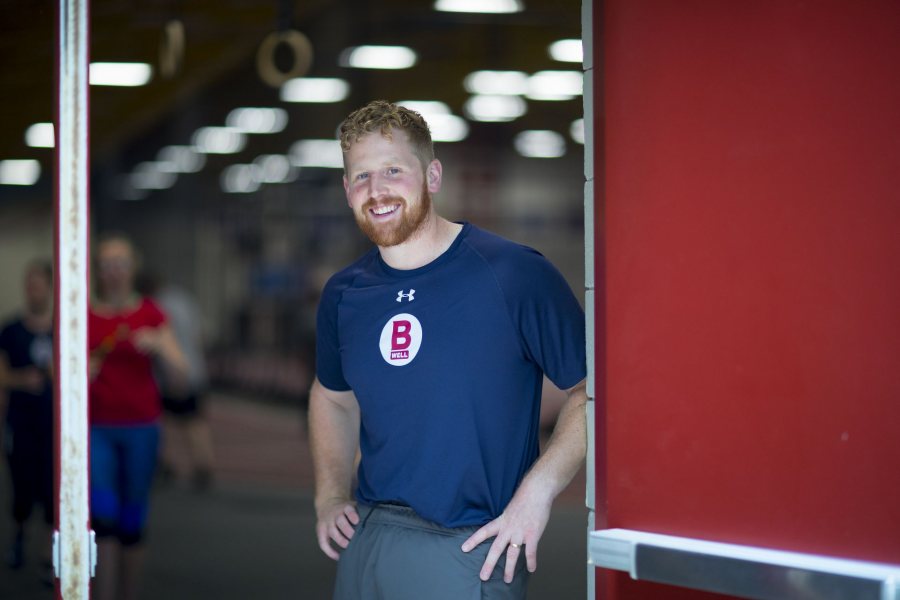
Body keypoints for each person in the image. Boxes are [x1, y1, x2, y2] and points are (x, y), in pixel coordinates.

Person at [310, 100, 587, 599]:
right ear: (346, 188)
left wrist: (537, 493)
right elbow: (332, 396)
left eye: (394, 170)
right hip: (370, 538)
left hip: (469, 548)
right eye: (362, 176)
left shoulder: (513, 274)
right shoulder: (344, 293)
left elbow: (591, 390)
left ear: (432, 175)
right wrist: (329, 495)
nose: (377, 191)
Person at [88, 234, 188, 600]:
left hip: (141, 427)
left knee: (132, 519)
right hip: (97, 427)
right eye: (107, 265)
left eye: (121, 264)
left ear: (133, 267)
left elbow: (182, 376)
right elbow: (57, 374)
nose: (114, 272)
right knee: (103, 517)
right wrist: (78, 372)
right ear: (98, 271)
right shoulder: (84, 315)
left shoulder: (151, 314)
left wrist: (161, 345)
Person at [137, 271, 216, 491]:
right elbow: (199, 334)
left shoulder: (156, 308)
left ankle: (169, 464)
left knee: (168, 420)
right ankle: (203, 464)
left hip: (171, 372)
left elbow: (162, 344)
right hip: (194, 369)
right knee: (195, 420)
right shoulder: (183, 300)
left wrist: (173, 371)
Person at [0, 260, 54, 577]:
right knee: (21, 486)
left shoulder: (64, 330)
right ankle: (19, 537)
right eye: (29, 284)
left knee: (51, 487)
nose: (33, 290)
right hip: (20, 423)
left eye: (38, 283)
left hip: (52, 424)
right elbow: (2, 375)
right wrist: (24, 380)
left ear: (49, 286)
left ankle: (50, 550)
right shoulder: (10, 330)